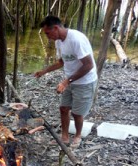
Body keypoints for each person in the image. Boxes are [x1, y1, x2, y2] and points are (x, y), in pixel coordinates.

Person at [34, 16, 98, 148]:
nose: (47, 37)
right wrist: (44, 71)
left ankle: (78, 135)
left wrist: (65, 82)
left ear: (56, 28)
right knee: (63, 108)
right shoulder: (59, 41)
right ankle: (64, 137)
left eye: (47, 33)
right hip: (70, 79)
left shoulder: (76, 39)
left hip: (85, 81)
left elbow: (89, 65)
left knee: (77, 113)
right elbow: (61, 62)